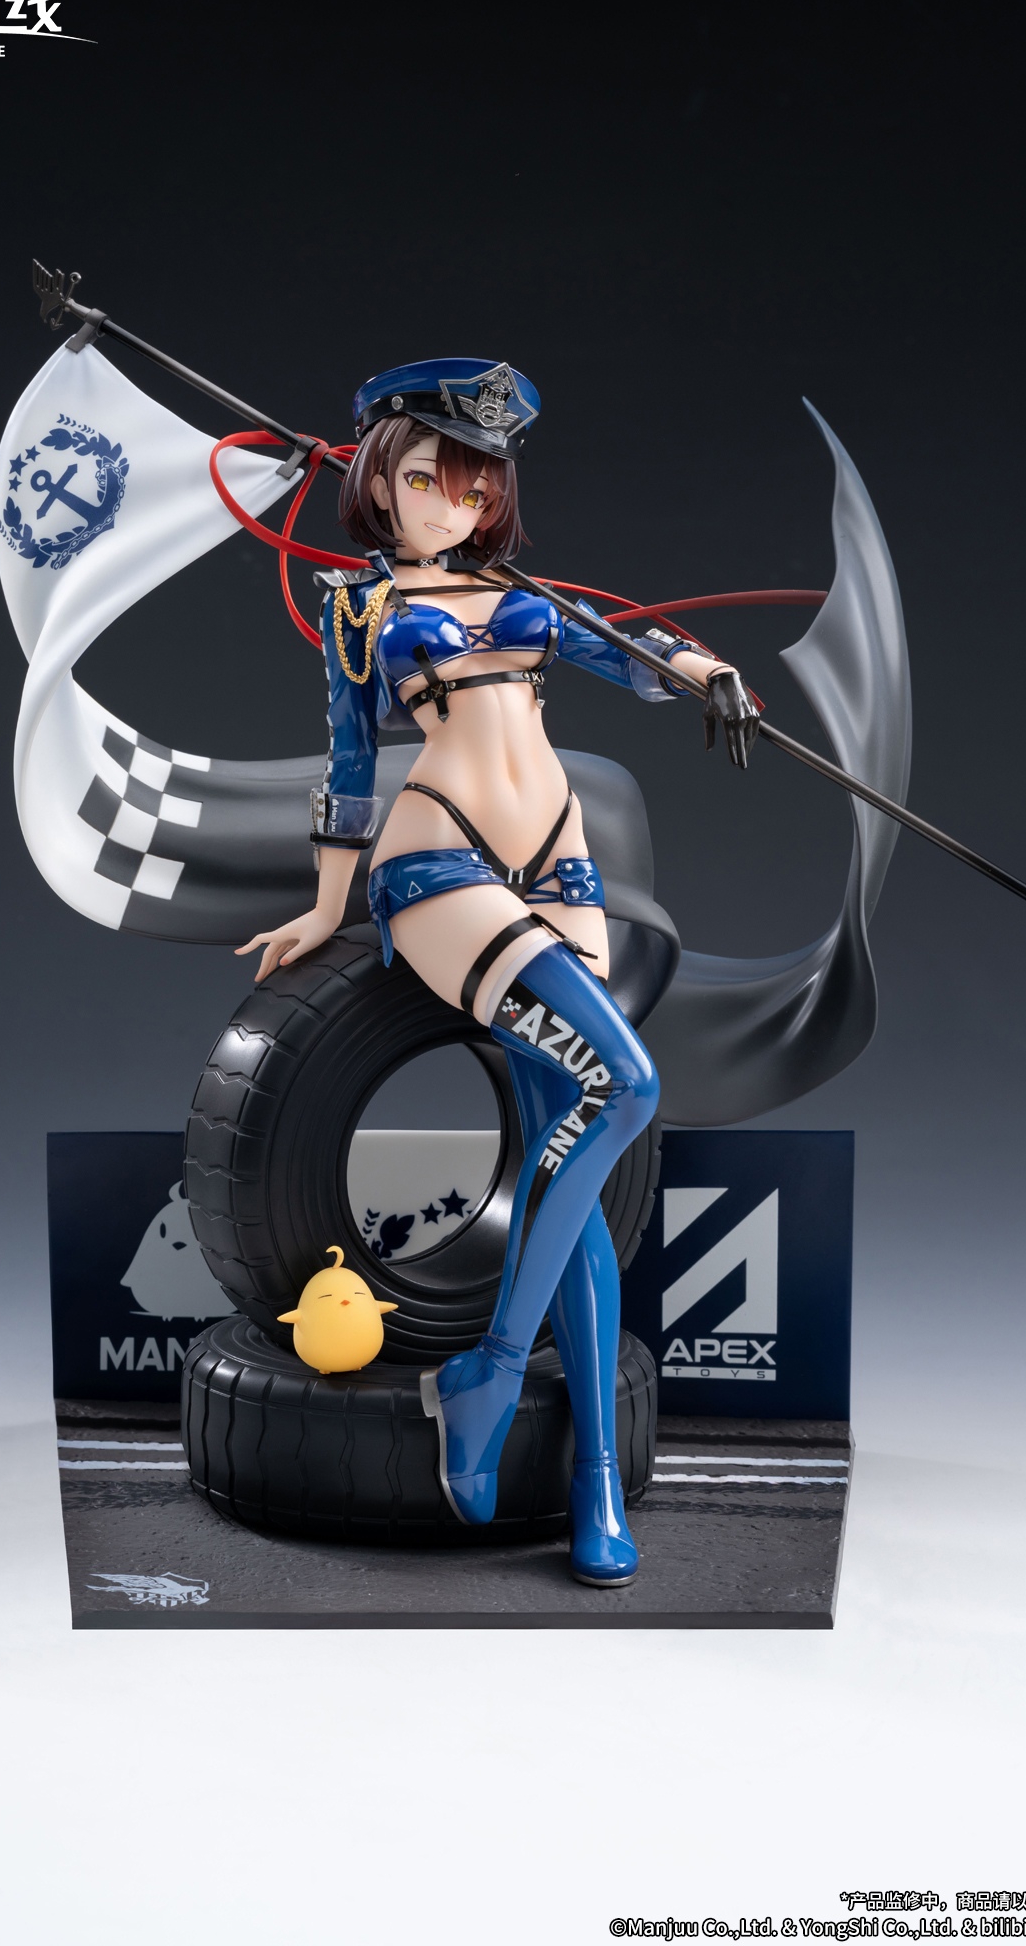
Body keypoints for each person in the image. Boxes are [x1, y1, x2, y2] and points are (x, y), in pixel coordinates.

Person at [238, 360, 759, 1586]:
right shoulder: (358, 603)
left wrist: (705, 672)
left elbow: (628, 655)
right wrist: (326, 906)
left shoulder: (517, 592)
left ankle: (591, 1480)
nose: (454, 505)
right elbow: (348, 763)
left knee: (561, 1156)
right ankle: (486, 1365)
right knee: (623, 1085)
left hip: (559, 865)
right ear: (380, 477)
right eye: (429, 479)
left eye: (476, 489)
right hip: (439, 859)